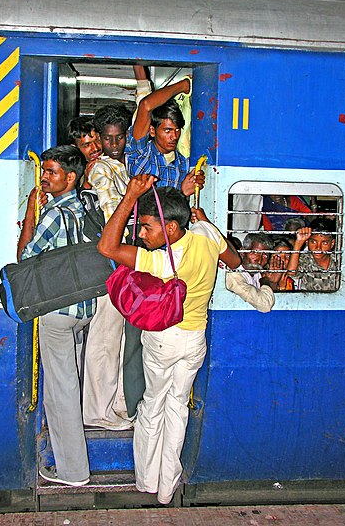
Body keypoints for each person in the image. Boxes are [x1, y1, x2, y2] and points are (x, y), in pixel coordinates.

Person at [97, 173, 241, 505]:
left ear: (172, 228)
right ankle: (167, 488)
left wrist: (131, 196)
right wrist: (206, 223)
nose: (143, 234)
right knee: (178, 407)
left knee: (153, 406)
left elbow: (107, 247)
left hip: (164, 340)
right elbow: (233, 260)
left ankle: (147, 482)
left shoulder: (162, 260)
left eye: (147, 227)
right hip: (195, 341)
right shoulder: (205, 234)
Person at [17, 145, 96, 487]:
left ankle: (73, 472)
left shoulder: (52, 214)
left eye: (51, 172)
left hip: (57, 312)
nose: (44, 177)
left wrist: (33, 211)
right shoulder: (88, 205)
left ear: (71, 177)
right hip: (84, 308)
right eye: (44, 171)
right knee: (70, 382)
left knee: (59, 391)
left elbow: (24, 258)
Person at [82, 103, 136, 429]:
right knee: (104, 338)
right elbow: (111, 210)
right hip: (110, 263)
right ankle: (97, 412)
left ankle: (113, 406)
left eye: (119, 137)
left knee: (115, 337)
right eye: (109, 138)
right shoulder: (101, 170)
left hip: (122, 262)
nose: (115, 144)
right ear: (100, 139)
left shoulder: (121, 166)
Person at [125, 76, 204, 197]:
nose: (174, 136)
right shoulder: (140, 154)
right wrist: (184, 86)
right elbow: (145, 106)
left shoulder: (184, 163)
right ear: (152, 130)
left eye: (177, 130)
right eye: (168, 130)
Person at [225, 232, 279, 311]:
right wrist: (265, 282)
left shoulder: (260, 273)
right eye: (255, 252)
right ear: (243, 252)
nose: (259, 260)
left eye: (265, 255)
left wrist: (273, 282)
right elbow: (265, 305)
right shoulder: (233, 275)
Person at [286, 217, 338, 291]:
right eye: (313, 242)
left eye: (324, 243)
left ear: (332, 243)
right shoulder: (306, 259)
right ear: (307, 241)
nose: (318, 248)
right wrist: (298, 243)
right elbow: (290, 274)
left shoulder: (338, 260)